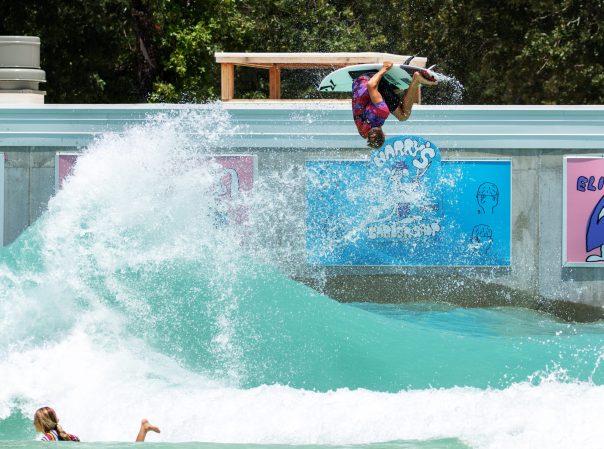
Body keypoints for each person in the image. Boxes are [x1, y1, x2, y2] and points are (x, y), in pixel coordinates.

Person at [352, 60, 437, 148]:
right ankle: (399, 86)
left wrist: (384, 68)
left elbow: (371, 85)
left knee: (403, 115)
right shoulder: (363, 132)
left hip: (370, 79)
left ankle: (417, 79)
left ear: (385, 135)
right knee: (394, 102)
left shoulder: (381, 112)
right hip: (358, 82)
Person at [34, 406, 160, 442]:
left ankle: (144, 428)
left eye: (35, 421)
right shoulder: (70, 436)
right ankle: (144, 428)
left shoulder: (47, 439)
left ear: (40, 423)